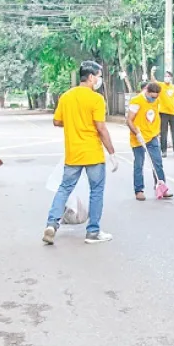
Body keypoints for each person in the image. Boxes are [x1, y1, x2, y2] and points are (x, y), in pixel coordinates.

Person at [43, 61, 118, 245]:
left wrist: (73, 120)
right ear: (91, 77)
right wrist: (112, 153)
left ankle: (52, 224)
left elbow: (57, 121)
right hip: (93, 153)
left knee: (64, 189)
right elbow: (101, 128)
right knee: (96, 191)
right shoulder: (96, 99)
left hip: (73, 153)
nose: (100, 80)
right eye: (99, 76)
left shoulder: (66, 97)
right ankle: (93, 232)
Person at [126, 82, 172, 200]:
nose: (153, 99)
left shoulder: (156, 100)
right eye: (152, 97)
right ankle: (139, 190)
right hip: (138, 138)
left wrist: (157, 133)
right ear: (146, 91)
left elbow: (154, 116)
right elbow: (129, 120)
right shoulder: (136, 101)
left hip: (152, 136)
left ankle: (161, 186)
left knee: (157, 163)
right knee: (139, 164)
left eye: (156, 97)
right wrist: (137, 134)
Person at [156, 70, 174, 158]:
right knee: (163, 132)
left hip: (173, 113)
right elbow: (153, 81)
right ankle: (163, 151)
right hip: (163, 112)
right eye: (165, 76)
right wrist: (152, 73)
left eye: (168, 76)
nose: (166, 78)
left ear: (171, 78)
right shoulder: (161, 85)